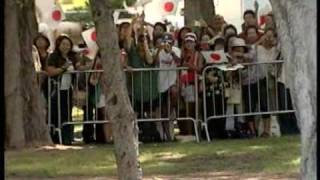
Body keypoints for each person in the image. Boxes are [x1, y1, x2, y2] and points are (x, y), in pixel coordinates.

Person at [46, 34, 77, 145]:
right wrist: (63, 67)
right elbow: (50, 71)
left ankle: (67, 137)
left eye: (68, 44)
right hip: (56, 89)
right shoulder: (53, 56)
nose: (66, 46)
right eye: (63, 44)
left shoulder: (72, 57)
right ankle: (55, 136)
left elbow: (78, 69)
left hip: (68, 89)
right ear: (59, 44)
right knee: (56, 113)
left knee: (67, 113)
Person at [155, 33, 181, 141]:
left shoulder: (176, 50)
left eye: (169, 42)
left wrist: (171, 52)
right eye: (165, 42)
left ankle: (173, 111)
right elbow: (155, 62)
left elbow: (179, 61)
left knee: (174, 92)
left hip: (172, 81)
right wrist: (158, 50)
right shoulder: (159, 51)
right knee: (163, 111)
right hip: (161, 83)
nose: (167, 44)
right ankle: (167, 137)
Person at [256, 28, 280, 137]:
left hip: (273, 79)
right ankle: (264, 130)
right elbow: (251, 50)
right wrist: (259, 41)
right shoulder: (259, 48)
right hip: (260, 78)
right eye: (267, 35)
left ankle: (273, 128)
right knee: (263, 104)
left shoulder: (276, 50)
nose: (268, 38)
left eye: (271, 36)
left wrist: (276, 43)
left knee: (273, 104)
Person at [179, 32, 204, 135]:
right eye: (186, 42)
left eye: (191, 42)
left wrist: (188, 65)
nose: (188, 44)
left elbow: (199, 68)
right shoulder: (182, 55)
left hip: (195, 84)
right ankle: (189, 133)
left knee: (196, 109)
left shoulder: (199, 55)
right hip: (185, 84)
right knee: (187, 109)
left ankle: (196, 132)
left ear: (195, 43)